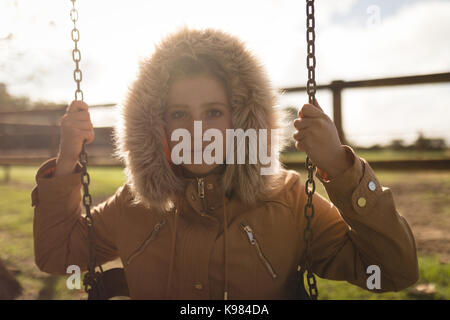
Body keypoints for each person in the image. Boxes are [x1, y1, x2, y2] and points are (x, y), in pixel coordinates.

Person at [31, 26, 419, 299]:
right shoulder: (134, 205)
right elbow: (56, 255)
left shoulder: (286, 201)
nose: (198, 130)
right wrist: (67, 160)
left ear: (243, 120)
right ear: (155, 124)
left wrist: (340, 166)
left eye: (214, 112)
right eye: (179, 113)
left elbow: (391, 270)